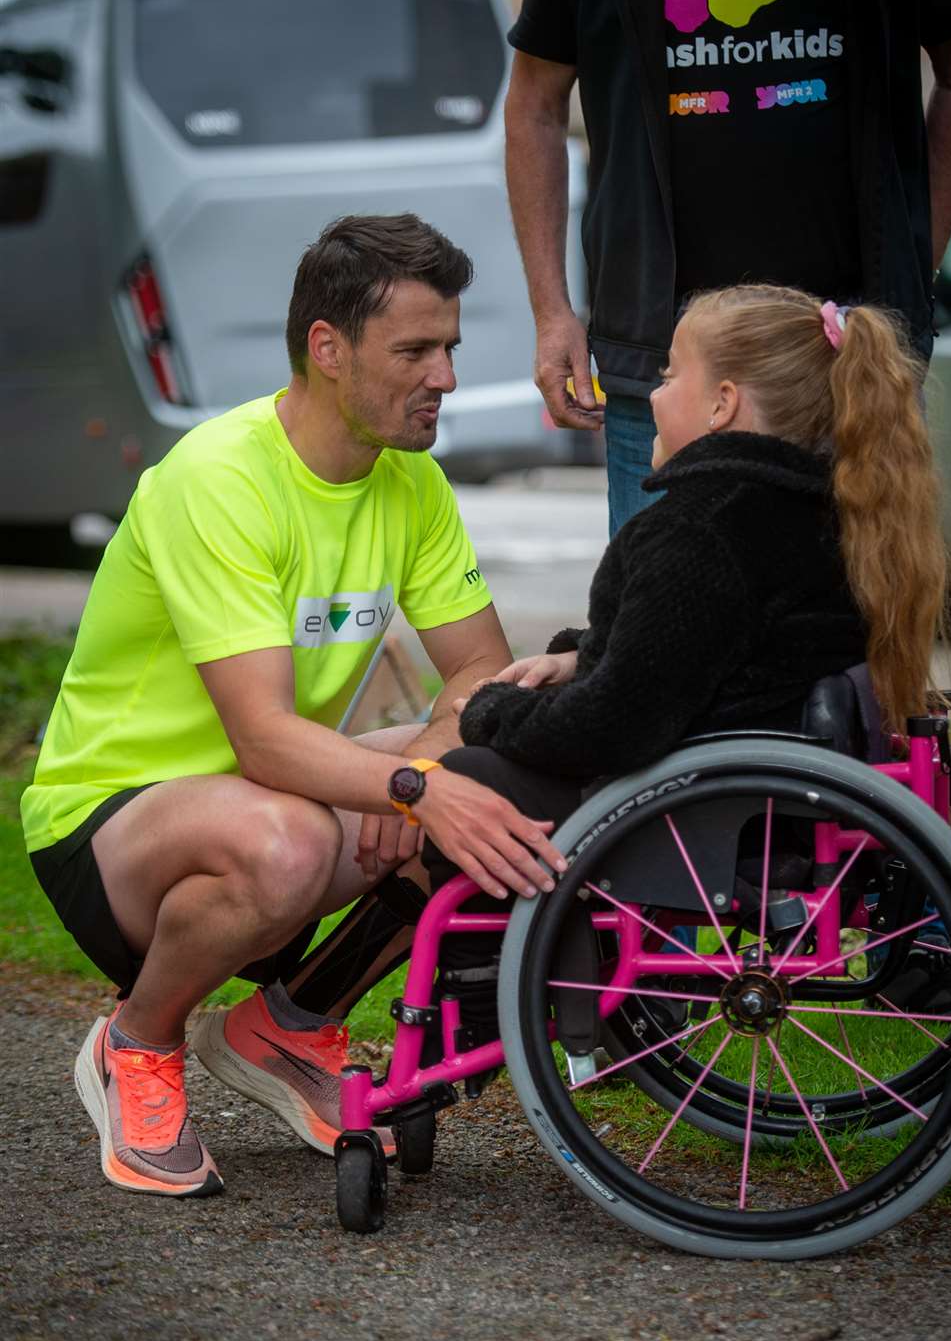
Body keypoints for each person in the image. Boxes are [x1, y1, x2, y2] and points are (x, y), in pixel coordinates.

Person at [22, 214, 566, 1199]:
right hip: (113, 820)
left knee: (502, 769)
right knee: (290, 843)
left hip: (272, 792)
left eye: (449, 347)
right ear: (327, 347)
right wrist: (410, 786)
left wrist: (440, 770)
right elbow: (262, 735)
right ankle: (135, 1041)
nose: (444, 375)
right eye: (414, 349)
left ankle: (285, 1022)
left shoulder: (412, 481)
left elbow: (481, 675)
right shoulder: (219, 477)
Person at [420, 283, 948, 1005]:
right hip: (783, 795)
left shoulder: (701, 530)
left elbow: (615, 725)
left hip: (703, 816)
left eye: (669, 375)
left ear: (722, 403)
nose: (654, 392)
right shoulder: (829, 511)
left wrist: (494, 709)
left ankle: (485, 1000)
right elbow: (725, 645)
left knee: (464, 776)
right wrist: (583, 653)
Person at [504, 0, 951, 534]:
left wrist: (915, 256)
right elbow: (534, 105)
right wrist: (551, 311)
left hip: (847, 364)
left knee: (856, 617)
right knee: (663, 613)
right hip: (659, 375)